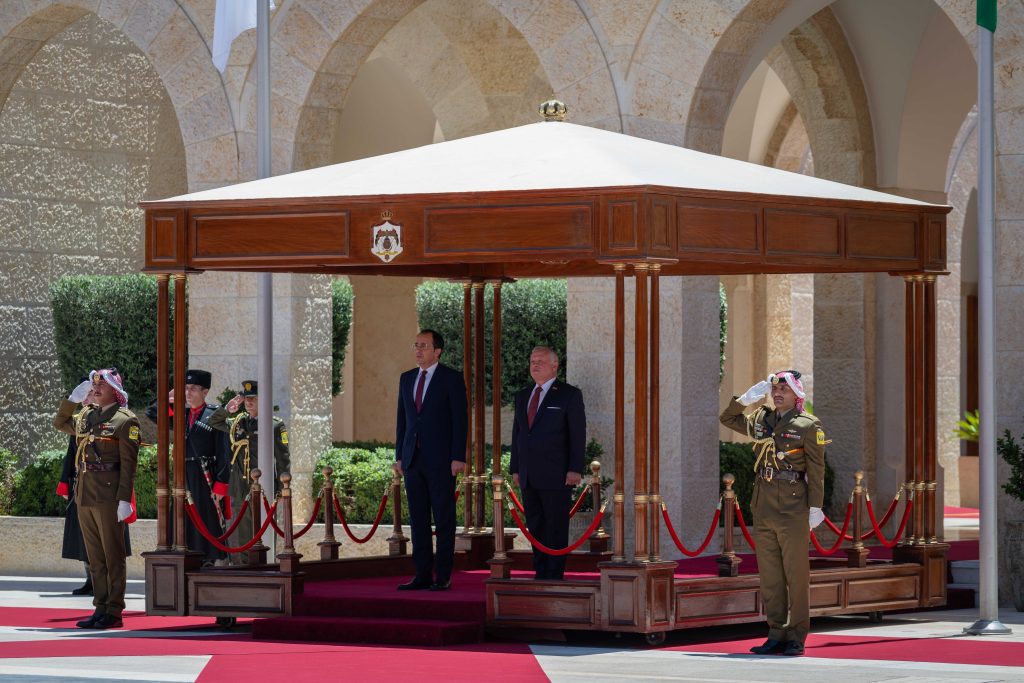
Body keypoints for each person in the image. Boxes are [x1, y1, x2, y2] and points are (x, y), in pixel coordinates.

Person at [719, 370, 827, 657]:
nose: (777, 394)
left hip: (793, 507)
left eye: (784, 390)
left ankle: (797, 636)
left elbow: (816, 470)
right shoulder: (762, 420)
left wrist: (815, 506)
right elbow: (727, 419)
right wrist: (743, 400)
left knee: (796, 576)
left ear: (796, 393)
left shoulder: (807, 425)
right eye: (774, 389)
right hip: (764, 505)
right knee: (770, 576)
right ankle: (776, 633)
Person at [53, 368, 139, 630]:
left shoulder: (125, 421)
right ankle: (100, 606)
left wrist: (124, 500)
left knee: (113, 555)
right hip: (85, 493)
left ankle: (114, 610)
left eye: (103, 386)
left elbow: (129, 466)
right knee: (94, 556)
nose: (96, 389)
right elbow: (59, 423)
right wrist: (71, 400)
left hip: (109, 496)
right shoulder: (87, 416)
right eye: (94, 386)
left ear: (115, 390)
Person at [393, 329, 467, 591]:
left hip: (442, 461)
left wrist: (458, 457)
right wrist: (399, 456)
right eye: (416, 345)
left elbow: (460, 420)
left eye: (423, 346)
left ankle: (443, 575)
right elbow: (402, 421)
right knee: (418, 519)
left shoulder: (451, 379)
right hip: (413, 460)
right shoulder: (407, 378)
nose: (418, 350)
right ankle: (422, 574)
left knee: (444, 518)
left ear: (437, 351)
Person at [509, 346, 586, 581]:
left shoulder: (568, 394)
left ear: (555, 365)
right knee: (535, 524)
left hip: (556, 473)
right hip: (528, 474)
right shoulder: (523, 395)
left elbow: (577, 434)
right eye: (532, 361)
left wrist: (575, 469)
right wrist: (515, 468)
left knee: (555, 526)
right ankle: (541, 571)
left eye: (540, 361)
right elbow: (518, 434)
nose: (535, 365)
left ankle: (554, 573)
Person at [208, 379, 290, 564]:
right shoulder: (238, 422)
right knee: (243, 531)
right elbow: (213, 421)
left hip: (264, 486)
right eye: (246, 398)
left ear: (263, 399)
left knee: (265, 527)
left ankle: (267, 564)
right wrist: (227, 409)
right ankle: (247, 566)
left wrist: (281, 488)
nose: (249, 402)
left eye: (253, 398)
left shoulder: (275, 425)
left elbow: (283, 459)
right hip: (240, 485)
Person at [168, 369, 230, 566]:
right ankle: (185, 557)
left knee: (205, 518)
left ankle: (207, 560)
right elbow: (154, 413)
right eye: (186, 388)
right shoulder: (181, 413)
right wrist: (170, 396)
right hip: (183, 473)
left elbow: (224, 451)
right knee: (183, 516)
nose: (188, 393)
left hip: (205, 474)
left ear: (205, 391)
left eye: (193, 388)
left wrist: (221, 484)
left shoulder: (215, 414)